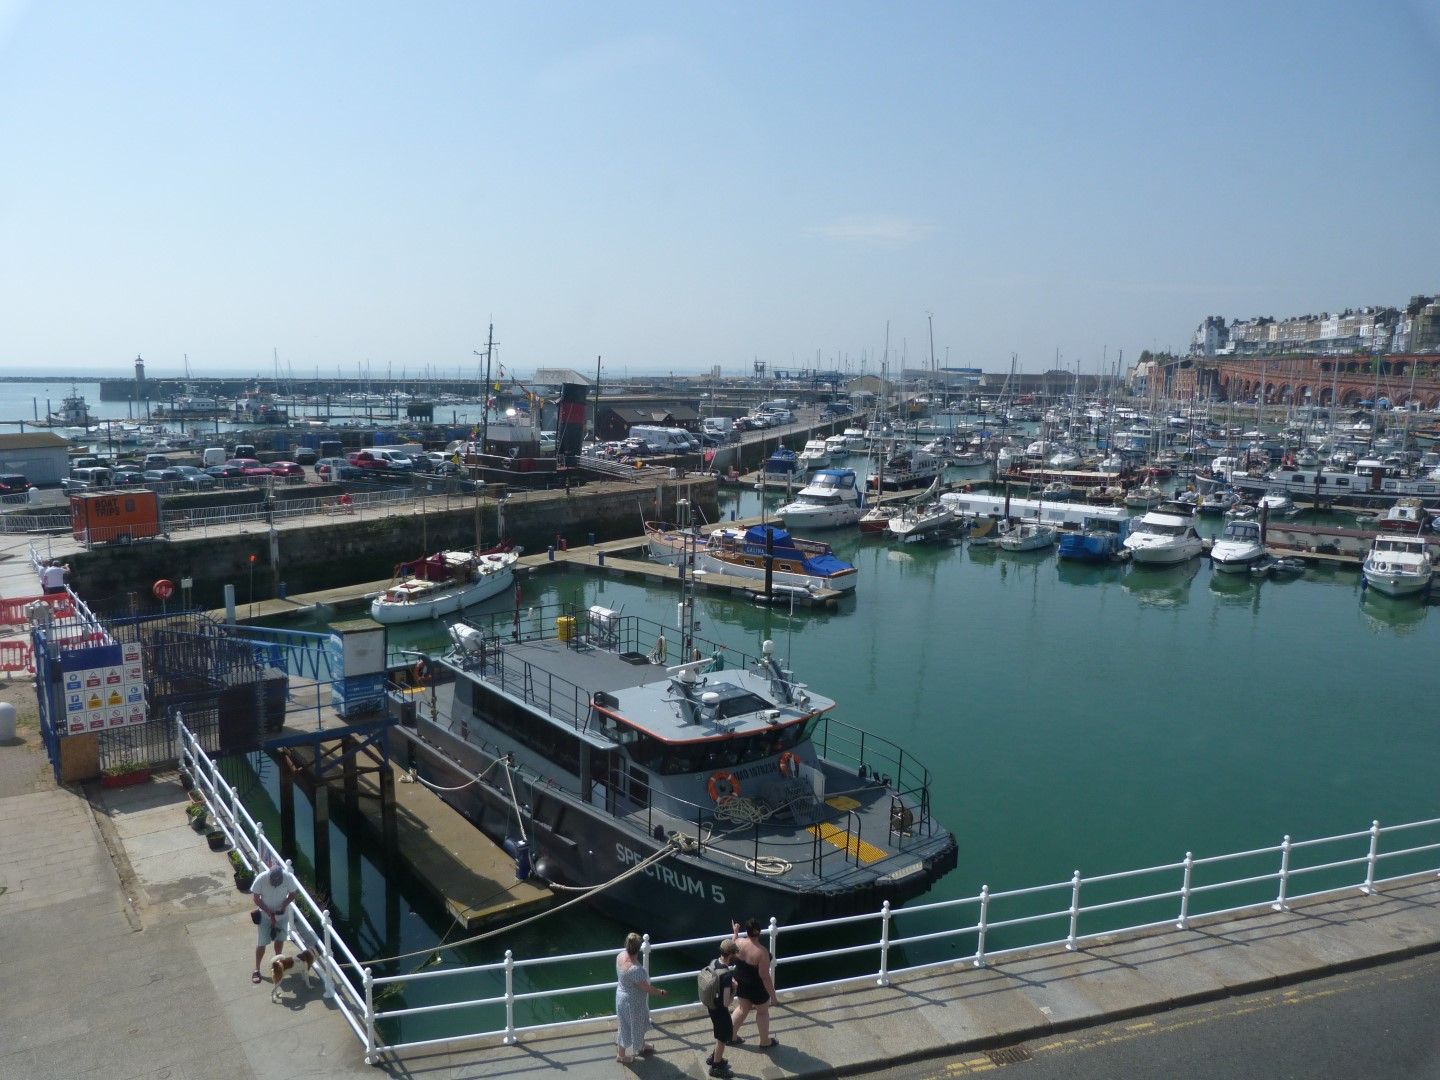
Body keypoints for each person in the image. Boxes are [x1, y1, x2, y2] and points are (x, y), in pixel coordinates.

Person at [614, 931, 668, 1063]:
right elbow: (646, 988)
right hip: (632, 1003)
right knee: (635, 1025)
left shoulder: (620, 956)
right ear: (638, 948)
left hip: (621, 998)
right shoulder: (635, 969)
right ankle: (622, 1056)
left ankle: (640, 1046)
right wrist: (660, 992)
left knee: (627, 1026)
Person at [729, 918, 778, 1050]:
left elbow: (732, 945)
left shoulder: (738, 942)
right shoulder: (762, 952)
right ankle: (765, 1042)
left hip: (741, 983)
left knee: (742, 1009)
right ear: (759, 932)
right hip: (757, 988)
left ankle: (731, 1037)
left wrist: (735, 932)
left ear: (747, 931)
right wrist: (773, 996)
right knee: (762, 1012)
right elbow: (765, 977)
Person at [251, 863, 297, 984]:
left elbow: (293, 894)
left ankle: (277, 964)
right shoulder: (261, 878)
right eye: (273, 881)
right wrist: (269, 912)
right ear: (269, 877)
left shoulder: (288, 878)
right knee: (261, 943)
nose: (276, 883)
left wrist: (284, 905)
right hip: (265, 916)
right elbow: (256, 898)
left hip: (282, 916)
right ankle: (257, 969)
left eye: (278, 881)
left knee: (279, 940)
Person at [701, 939, 739, 1076]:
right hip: (720, 1010)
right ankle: (716, 1067)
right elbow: (726, 1003)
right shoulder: (727, 975)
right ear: (731, 955)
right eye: (734, 954)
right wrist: (734, 988)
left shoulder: (713, 962)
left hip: (711, 1005)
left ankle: (714, 1057)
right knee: (723, 1037)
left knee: (719, 1033)